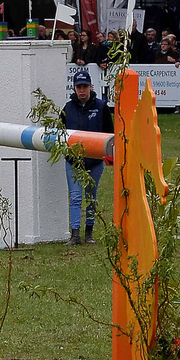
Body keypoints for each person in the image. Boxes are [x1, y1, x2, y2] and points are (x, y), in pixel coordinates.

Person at [61, 70, 112, 244]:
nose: (82, 90)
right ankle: (75, 234)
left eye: (85, 86)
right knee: (75, 197)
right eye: (78, 87)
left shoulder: (101, 106)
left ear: (91, 86)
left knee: (91, 196)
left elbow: (110, 133)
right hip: (73, 161)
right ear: (74, 88)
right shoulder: (67, 108)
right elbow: (61, 134)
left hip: (95, 160)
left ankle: (89, 232)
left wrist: (108, 156)